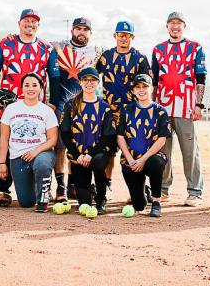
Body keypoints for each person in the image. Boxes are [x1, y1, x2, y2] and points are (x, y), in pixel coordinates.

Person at [0, 9, 59, 207]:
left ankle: (41, 187)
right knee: (9, 142)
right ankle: (2, 189)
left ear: (38, 25)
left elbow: (55, 77)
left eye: (34, 21)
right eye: (26, 20)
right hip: (9, 104)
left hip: (38, 105)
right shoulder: (5, 44)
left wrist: (53, 102)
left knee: (39, 142)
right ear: (19, 23)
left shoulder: (46, 48)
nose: (30, 24)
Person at [151, 11, 206, 206]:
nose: (175, 26)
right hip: (163, 109)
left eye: (179, 23)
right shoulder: (158, 50)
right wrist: (152, 107)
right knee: (163, 152)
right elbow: (155, 82)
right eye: (171, 23)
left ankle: (195, 191)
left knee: (190, 151)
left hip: (186, 108)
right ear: (167, 27)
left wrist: (198, 105)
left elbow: (201, 78)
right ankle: (163, 189)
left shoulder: (195, 48)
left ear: (184, 26)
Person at [49, 17, 102, 201]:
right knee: (61, 148)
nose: (81, 32)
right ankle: (60, 187)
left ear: (90, 32)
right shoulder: (59, 47)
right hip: (64, 105)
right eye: (78, 28)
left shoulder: (97, 52)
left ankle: (73, 184)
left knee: (80, 146)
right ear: (72, 30)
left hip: (86, 109)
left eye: (85, 29)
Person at [96, 20, 150, 194]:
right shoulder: (105, 56)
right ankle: (107, 183)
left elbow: (147, 85)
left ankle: (137, 190)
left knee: (135, 150)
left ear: (132, 37)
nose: (124, 38)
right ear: (115, 36)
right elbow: (92, 77)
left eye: (127, 35)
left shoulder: (140, 58)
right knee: (108, 150)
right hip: (109, 112)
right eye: (120, 35)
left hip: (131, 113)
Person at [0, 73, 58, 212]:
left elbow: (53, 139)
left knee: (42, 165)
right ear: (22, 88)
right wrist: (2, 163)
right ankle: (38, 190)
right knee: (26, 202)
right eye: (27, 85)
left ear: (41, 88)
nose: (30, 88)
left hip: (41, 152)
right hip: (18, 157)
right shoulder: (11, 109)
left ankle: (43, 198)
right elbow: (4, 138)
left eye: (34, 85)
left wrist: (35, 152)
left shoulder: (47, 111)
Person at [59, 67, 116, 214]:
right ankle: (89, 191)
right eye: (85, 80)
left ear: (98, 82)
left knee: (97, 163)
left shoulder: (104, 107)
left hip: (97, 153)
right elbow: (65, 134)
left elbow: (107, 136)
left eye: (92, 80)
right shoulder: (71, 105)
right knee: (84, 202)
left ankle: (101, 198)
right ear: (80, 82)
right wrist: (77, 155)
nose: (89, 83)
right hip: (78, 155)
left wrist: (90, 153)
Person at [118, 74, 171, 217]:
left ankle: (156, 202)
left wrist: (144, 159)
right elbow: (120, 136)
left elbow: (162, 139)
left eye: (145, 87)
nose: (141, 90)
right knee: (139, 206)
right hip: (131, 160)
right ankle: (144, 192)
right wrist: (129, 158)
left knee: (155, 164)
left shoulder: (160, 111)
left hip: (151, 157)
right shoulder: (127, 109)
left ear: (151, 89)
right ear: (133, 91)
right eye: (138, 87)